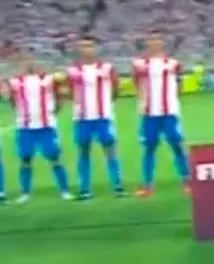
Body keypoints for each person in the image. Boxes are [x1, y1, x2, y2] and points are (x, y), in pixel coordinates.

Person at [3, 52, 72, 202]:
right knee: (25, 159)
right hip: (25, 127)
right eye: (25, 60)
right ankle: (25, 193)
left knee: (55, 157)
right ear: (20, 63)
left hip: (46, 126)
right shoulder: (15, 81)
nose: (29, 64)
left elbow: (60, 97)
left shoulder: (48, 79)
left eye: (31, 60)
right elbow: (12, 101)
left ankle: (64, 190)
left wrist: (53, 113)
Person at [132, 30, 190, 196]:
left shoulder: (172, 63)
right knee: (149, 148)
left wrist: (173, 102)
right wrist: (143, 102)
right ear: (147, 42)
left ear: (162, 42)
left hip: (169, 113)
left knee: (177, 146)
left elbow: (179, 84)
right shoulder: (139, 64)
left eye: (157, 39)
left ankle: (186, 180)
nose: (154, 42)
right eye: (151, 39)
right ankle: (147, 184)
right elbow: (137, 84)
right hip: (149, 114)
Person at [66, 35, 126, 198]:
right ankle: (85, 188)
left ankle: (117, 185)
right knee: (84, 151)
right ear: (79, 49)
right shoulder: (73, 71)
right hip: (82, 118)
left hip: (103, 117)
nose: (87, 50)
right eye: (84, 46)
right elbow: (72, 92)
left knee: (110, 150)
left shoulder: (106, 68)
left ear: (96, 48)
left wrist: (106, 106)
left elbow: (115, 89)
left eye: (90, 46)